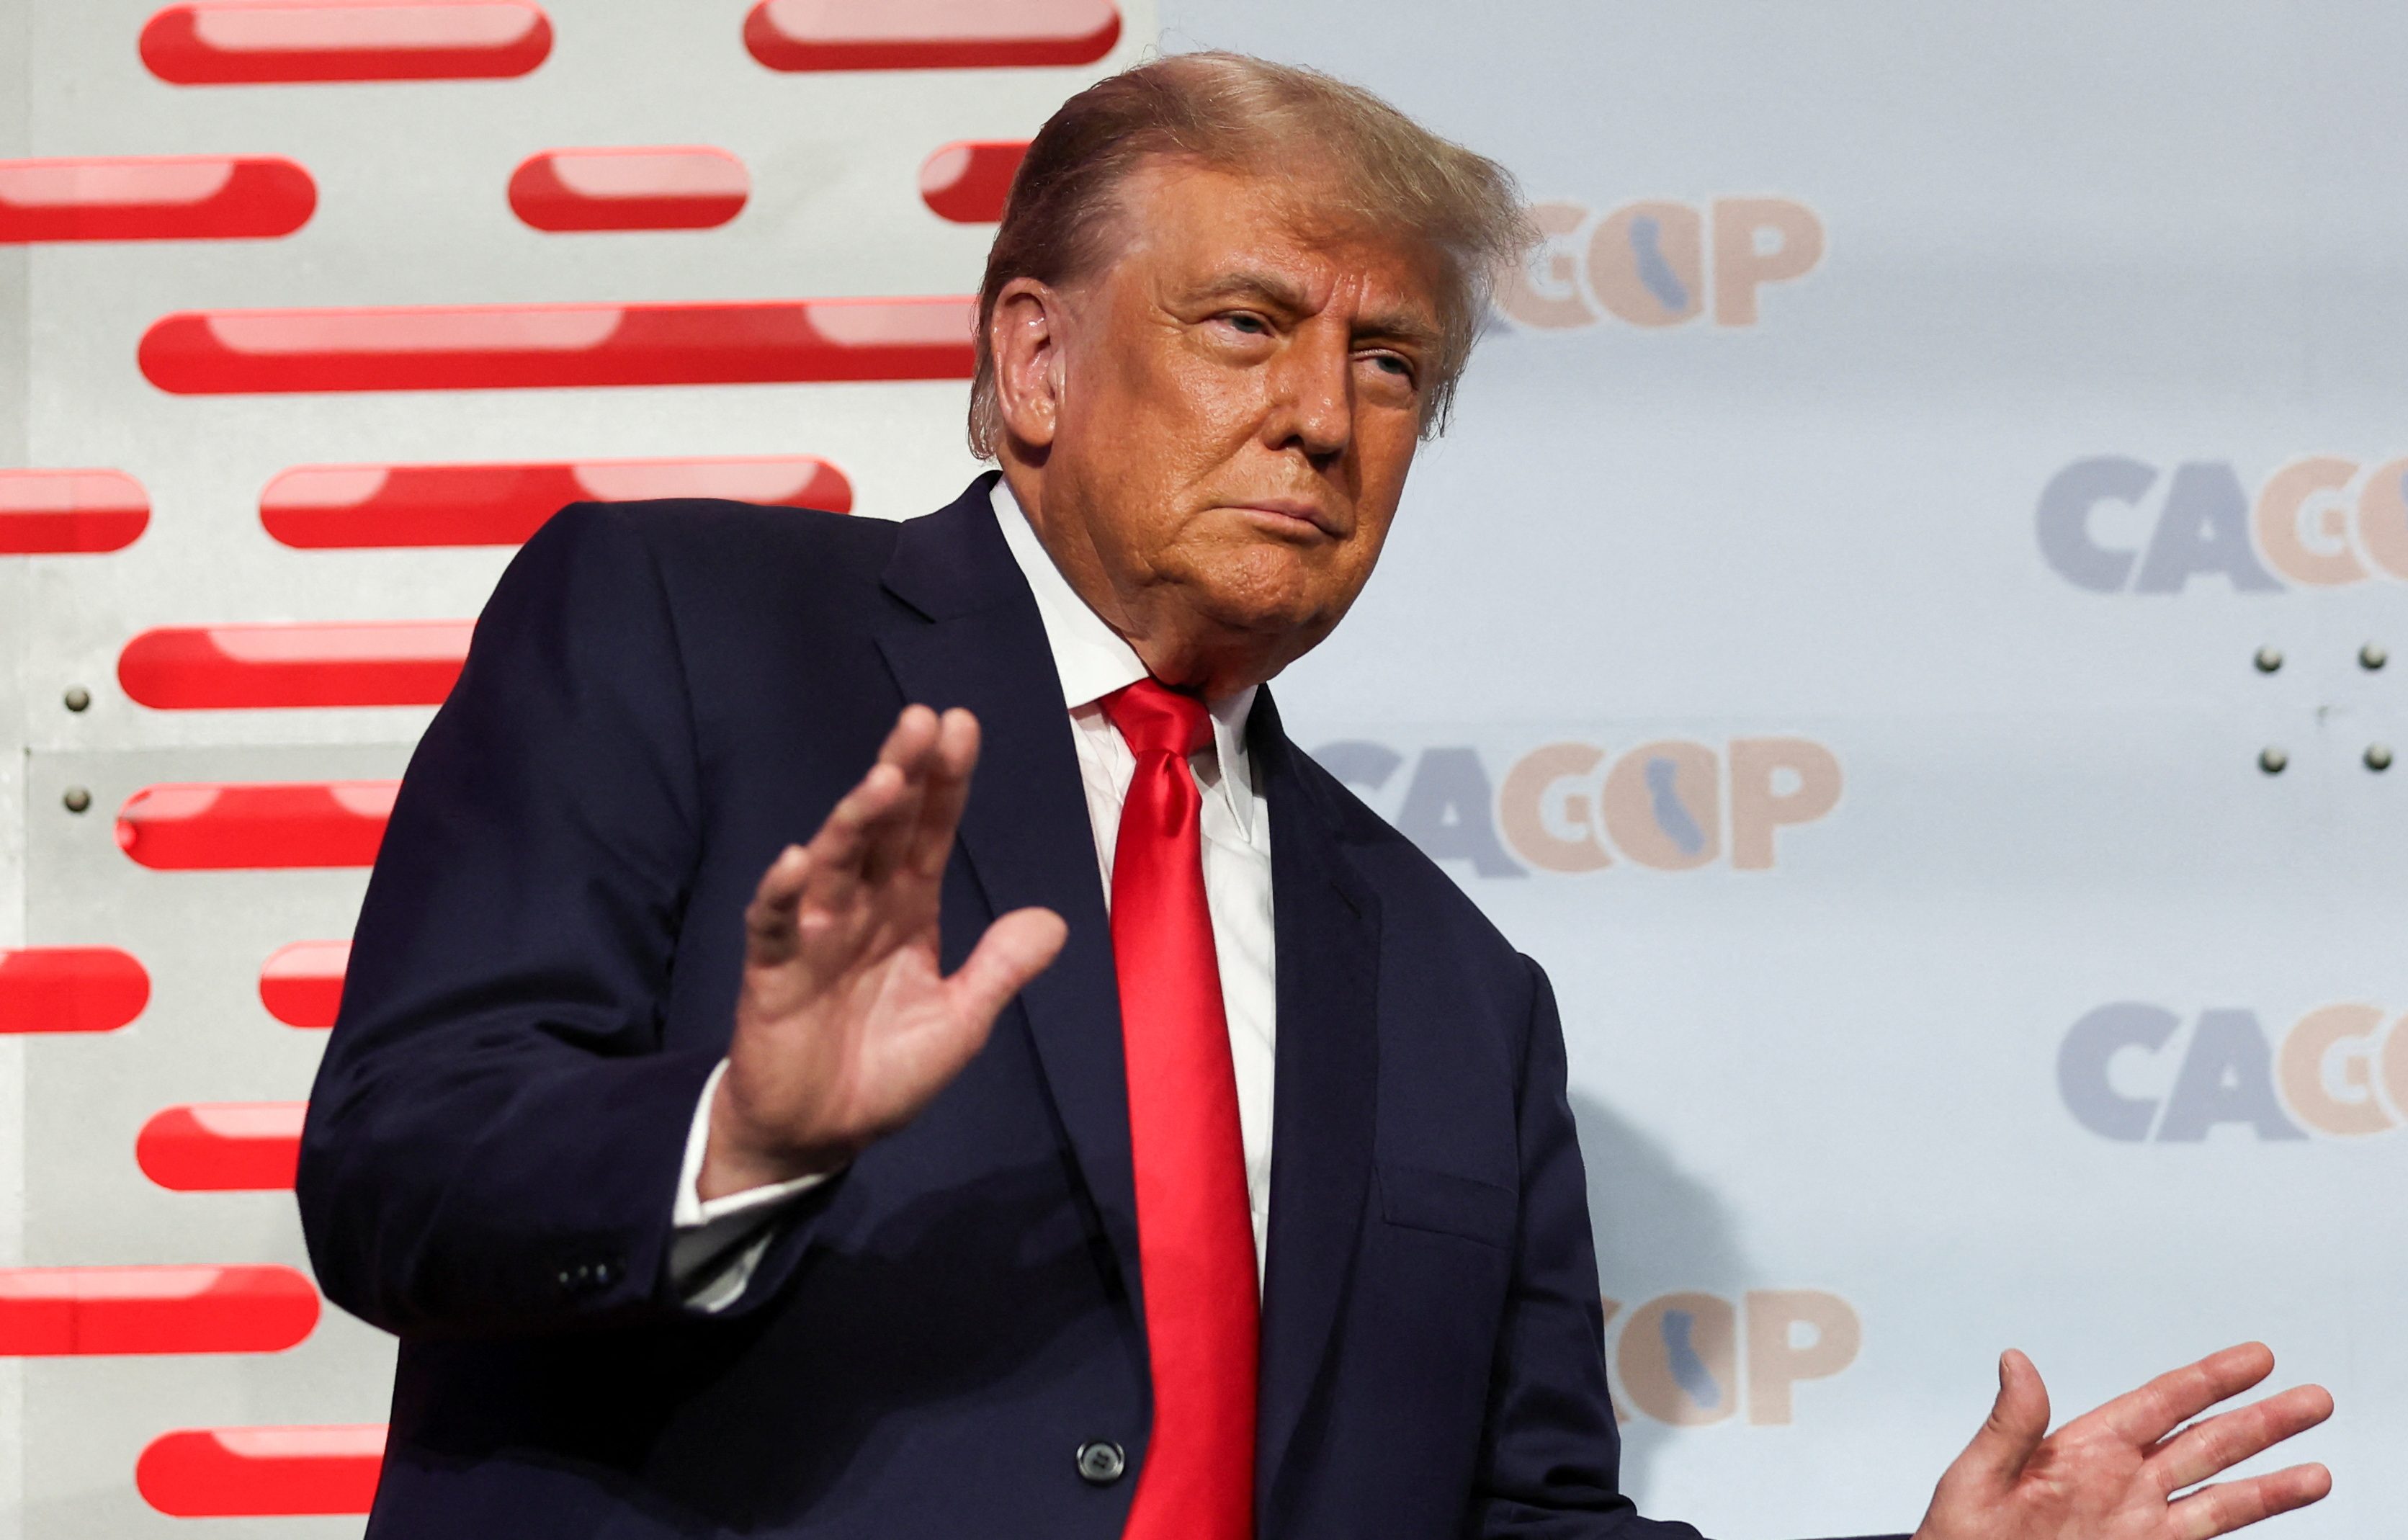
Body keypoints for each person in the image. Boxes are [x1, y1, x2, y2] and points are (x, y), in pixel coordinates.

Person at [296, 51, 2332, 1540]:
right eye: (1250, 324)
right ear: (1033, 358)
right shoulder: (679, 622)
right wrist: (741, 1126)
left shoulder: (1455, 979)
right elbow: (395, 1166)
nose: (1323, 418)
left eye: (1392, 366)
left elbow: (1519, 1518)